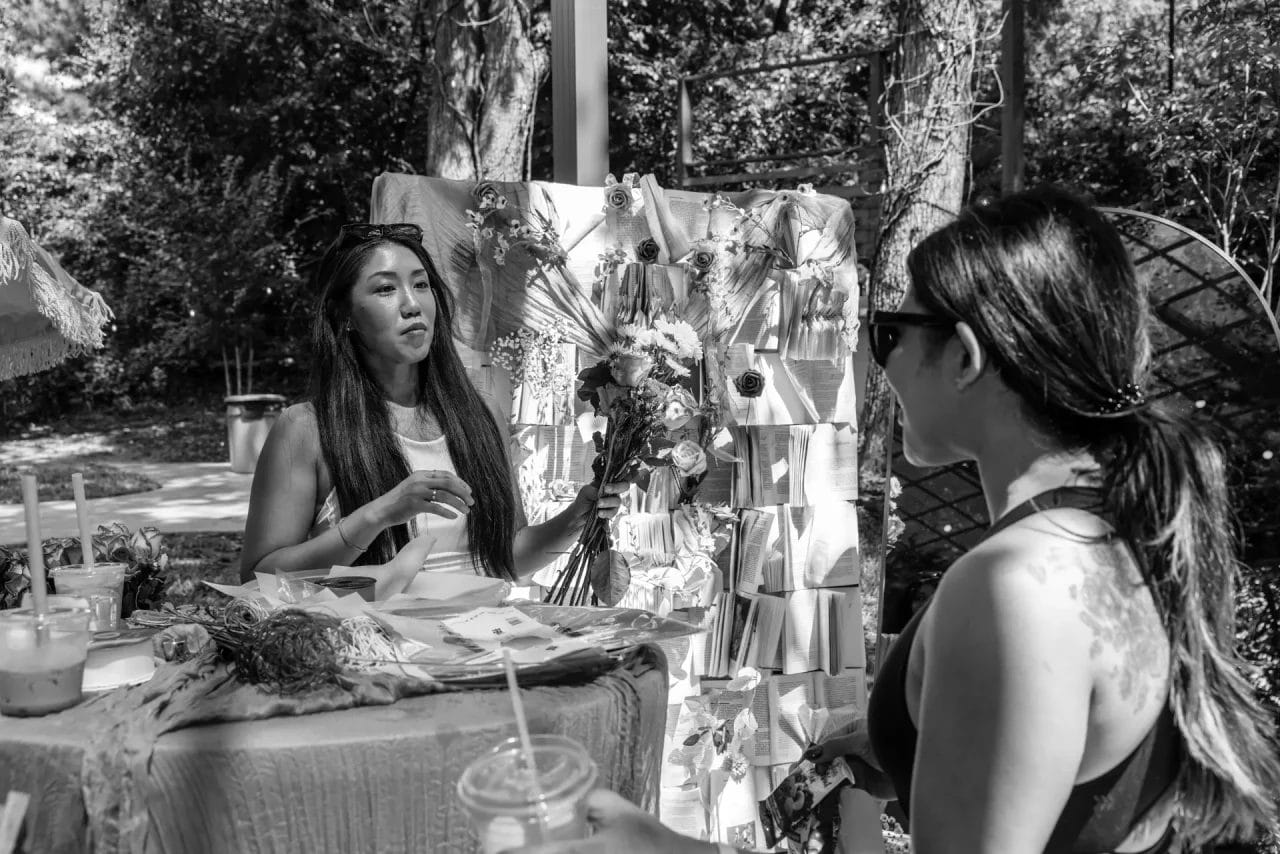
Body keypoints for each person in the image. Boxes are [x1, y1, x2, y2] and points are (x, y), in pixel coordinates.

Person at [507, 187, 1280, 854]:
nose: (878, 362)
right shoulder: (1123, 531)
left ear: (967, 357)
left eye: (889, 334)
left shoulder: (1013, 587)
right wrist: (909, 753)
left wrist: (664, 845)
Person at [240, 222, 623, 589]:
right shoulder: (307, 427)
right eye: (385, 289)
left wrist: (578, 515)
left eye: (421, 284)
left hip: (481, 642)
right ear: (344, 317)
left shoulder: (478, 413)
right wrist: (376, 516)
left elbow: (509, 557)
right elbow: (259, 579)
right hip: (373, 646)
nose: (412, 304)